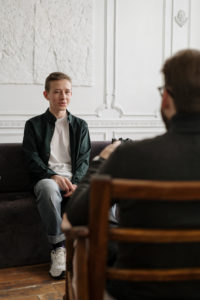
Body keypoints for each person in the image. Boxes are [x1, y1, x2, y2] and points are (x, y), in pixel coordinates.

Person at [63, 49, 200, 299]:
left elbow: (75, 216)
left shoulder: (129, 155)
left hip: (136, 293)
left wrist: (100, 161)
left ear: (166, 98)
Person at [22, 72, 91, 279]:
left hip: (74, 180)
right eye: (57, 92)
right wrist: (52, 175)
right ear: (46, 94)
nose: (63, 96)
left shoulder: (81, 126)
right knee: (48, 188)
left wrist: (76, 182)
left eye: (67, 92)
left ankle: (91, 253)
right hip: (47, 180)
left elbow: (85, 160)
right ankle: (59, 249)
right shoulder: (33, 125)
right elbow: (31, 159)